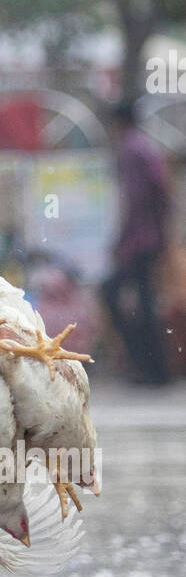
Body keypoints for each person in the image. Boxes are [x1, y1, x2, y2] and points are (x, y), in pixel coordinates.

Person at [101, 99, 171, 385]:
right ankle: (154, 369)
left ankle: (148, 365)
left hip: (138, 242)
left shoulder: (130, 149)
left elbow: (134, 200)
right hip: (151, 239)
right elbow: (162, 193)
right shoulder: (145, 145)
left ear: (118, 122)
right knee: (143, 300)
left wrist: (121, 239)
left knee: (112, 293)